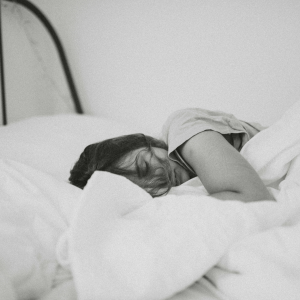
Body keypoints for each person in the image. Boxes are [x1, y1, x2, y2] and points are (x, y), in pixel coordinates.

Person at [69, 108, 273, 202]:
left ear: (144, 142)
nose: (160, 178)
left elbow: (255, 199)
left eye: (144, 167)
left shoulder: (183, 128)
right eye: (144, 188)